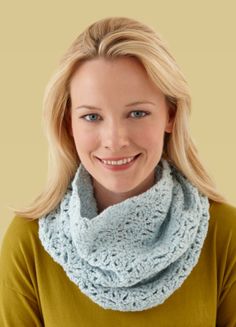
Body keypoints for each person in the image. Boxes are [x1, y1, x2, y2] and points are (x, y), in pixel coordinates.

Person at [0, 16, 236, 327]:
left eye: (137, 113)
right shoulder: (28, 242)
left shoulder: (224, 234)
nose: (115, 140)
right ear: (67, 123)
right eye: (92, 116)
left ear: (170, 115)